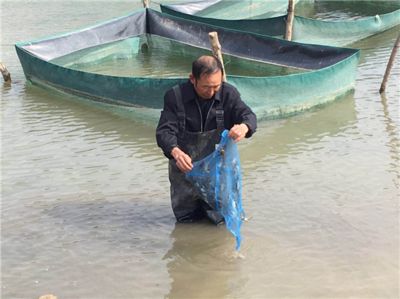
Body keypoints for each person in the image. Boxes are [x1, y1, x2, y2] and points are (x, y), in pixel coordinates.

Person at [156, 55, 257, 224]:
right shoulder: (175, 97)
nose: (211, 92)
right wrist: (176, 151)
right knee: (186, 223)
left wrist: (244, 127)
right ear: (192, 79)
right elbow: (164, 131)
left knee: (221, 221)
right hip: (185, 171)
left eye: (216, 87)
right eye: (206, 87)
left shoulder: (228, 94)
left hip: (217, 172)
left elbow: (248, 116)